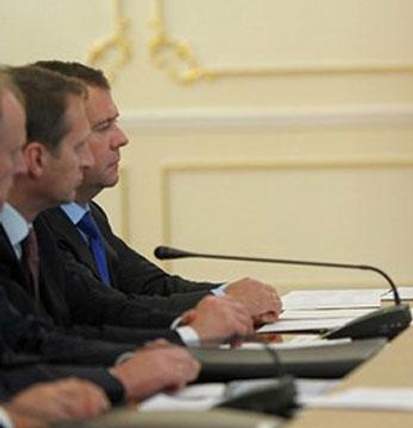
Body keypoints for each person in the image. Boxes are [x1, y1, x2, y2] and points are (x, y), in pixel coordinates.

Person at [1, 65, 254, 348]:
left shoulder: (64, 221)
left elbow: (140, 287)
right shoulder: (41, 225)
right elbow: (84, 317)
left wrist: (222, 305)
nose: (121, 139)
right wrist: (193, 330)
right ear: (36, 158)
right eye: (82, 142)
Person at [0, 68, 199, 417]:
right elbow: (30, 348)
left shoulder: (37, 228)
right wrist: (124, 376)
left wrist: (182, 338)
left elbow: (42, 335)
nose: (19, 169)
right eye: (80, 145)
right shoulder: (42, 224)